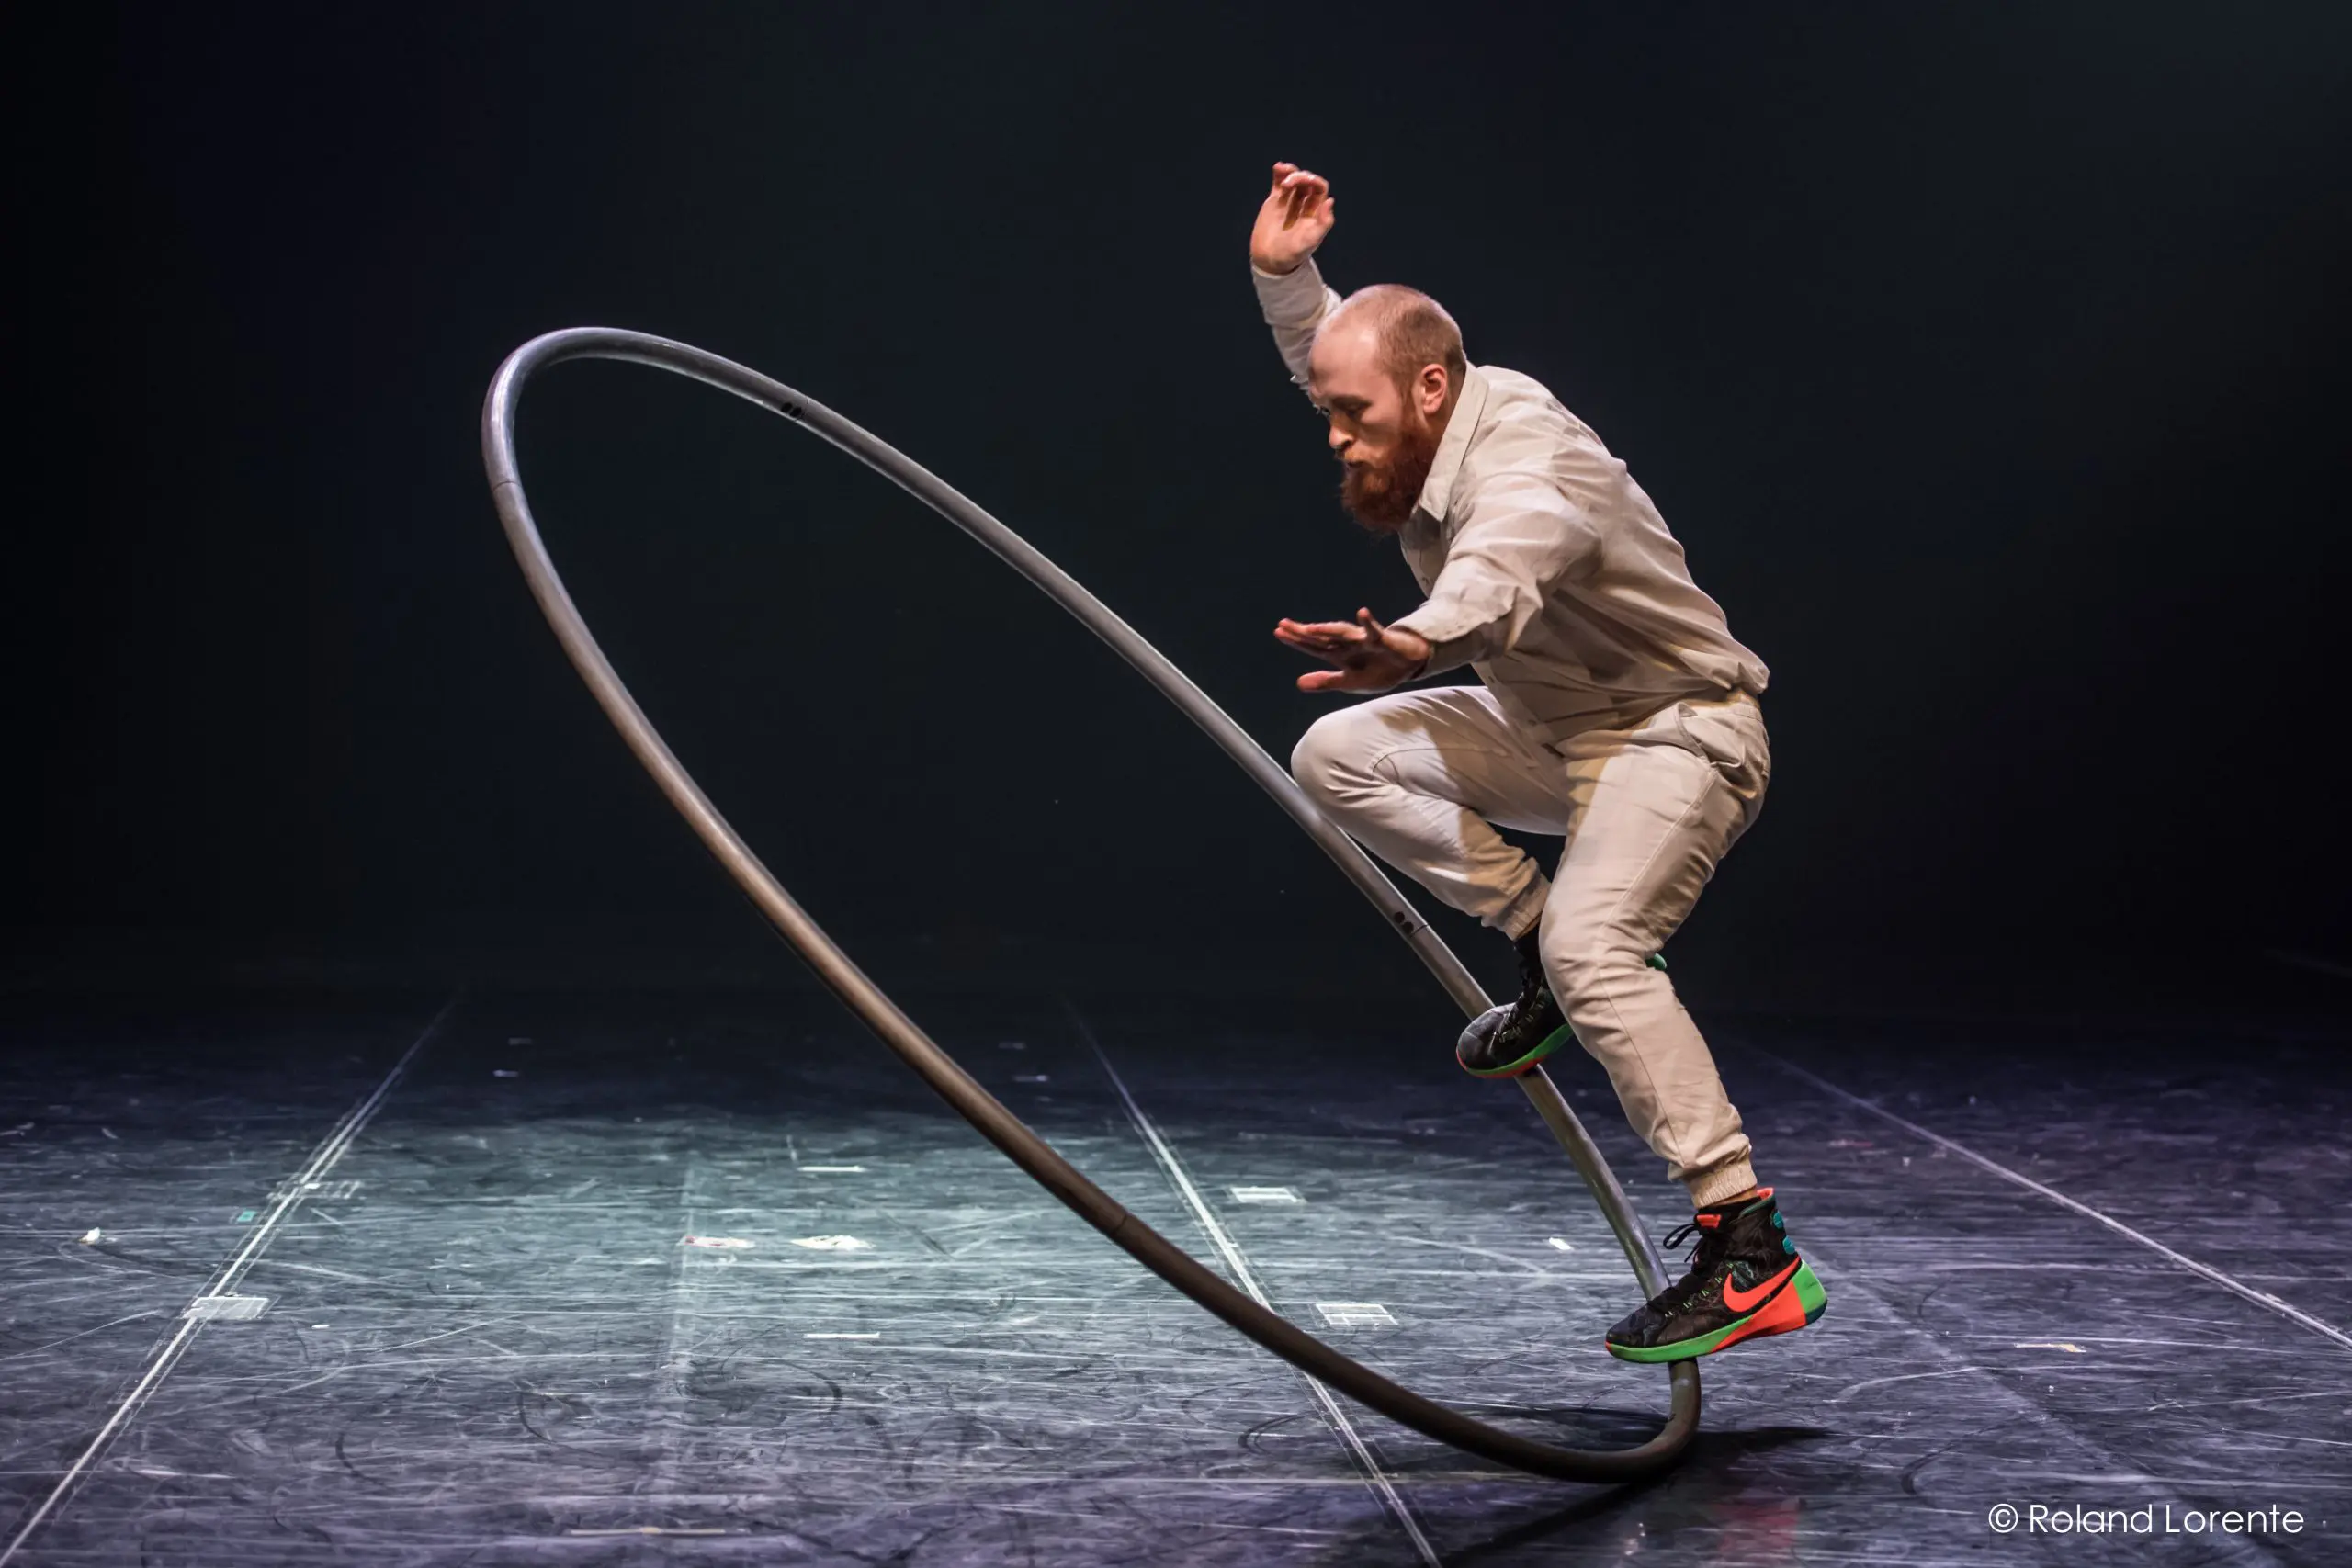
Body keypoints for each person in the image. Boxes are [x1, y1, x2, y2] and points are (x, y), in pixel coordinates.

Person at [1249, 161, 1825, 1363]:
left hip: (1680, 730)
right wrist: (1284, 276)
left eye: (1354, 417)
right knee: (1335, 755)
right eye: (1329, 416)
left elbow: (1500, 570)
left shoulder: (1529, 461)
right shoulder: (1421, 418)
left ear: (1433, 388)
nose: (1339, 439)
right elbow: (1342, 356)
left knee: (1603, 947)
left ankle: (1750, 1244)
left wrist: (1407, 641)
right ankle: (1532, 937)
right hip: (1556, 729)